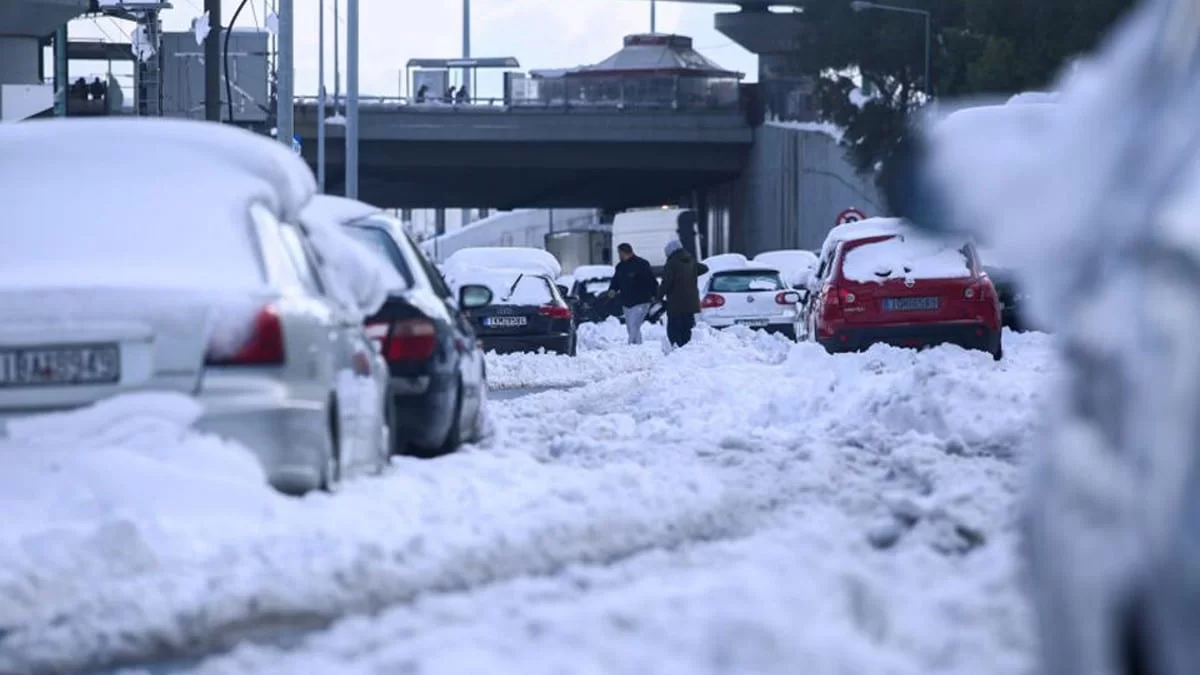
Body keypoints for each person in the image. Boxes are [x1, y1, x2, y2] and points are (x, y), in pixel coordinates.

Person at [659, 238, 707, 348]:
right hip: (691, 303)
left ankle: (677, 349)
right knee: (688, 328)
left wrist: (658, 296)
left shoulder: (672, 263)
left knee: (674, 329)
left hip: (676, 303)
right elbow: (705, 268)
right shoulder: (690, 260)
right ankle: (687, 349)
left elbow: (666, 282)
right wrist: (692, 272)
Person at [606, 243, 658, 345]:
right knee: (631, 327)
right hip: (626, 302)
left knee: (634, 325)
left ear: (626, 252)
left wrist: (654, 295)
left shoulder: (642, 264)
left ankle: (631, 346)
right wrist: (612, 290)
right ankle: (638, 347)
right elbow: (615, 281)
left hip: (641, 301)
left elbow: (651, 281)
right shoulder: (620, 267)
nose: (619, 255)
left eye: (620, 253)